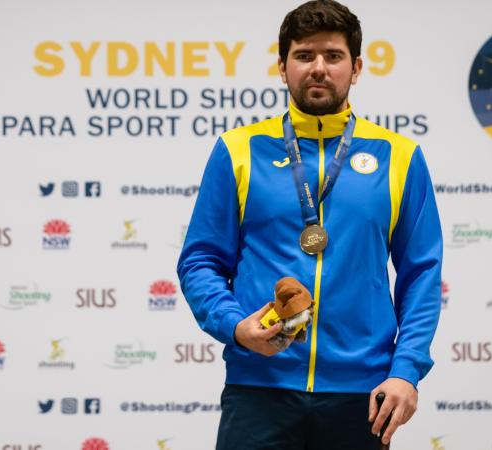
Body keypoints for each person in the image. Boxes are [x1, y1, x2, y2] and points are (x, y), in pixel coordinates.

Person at [176, 1, 442, 448]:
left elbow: (421, 275)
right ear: (282, 67)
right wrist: (236, 327)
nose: (318, 68)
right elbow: (200, 260)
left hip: (363, 392)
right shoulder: (239, 150)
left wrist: (406, 371)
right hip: (259, 386)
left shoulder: (398, 156)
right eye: (304, 56)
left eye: (333, 56)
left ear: (355, 68)